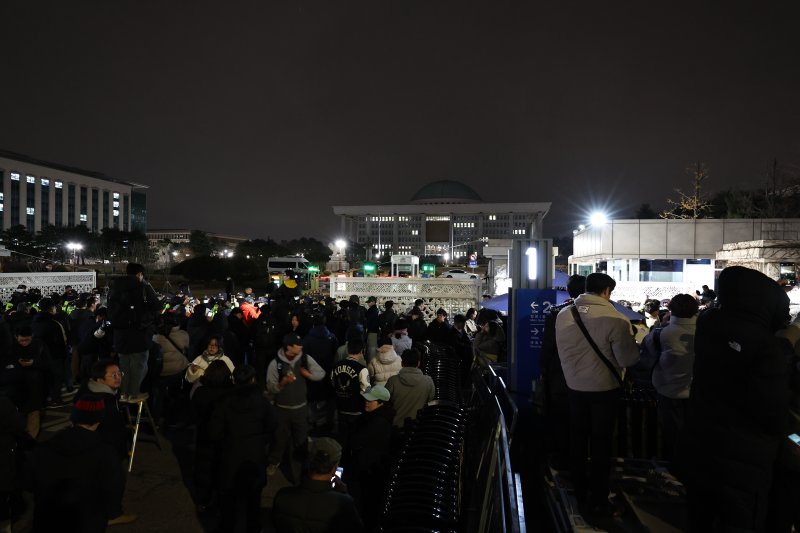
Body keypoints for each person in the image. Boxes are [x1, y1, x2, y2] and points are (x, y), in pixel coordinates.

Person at [681, 267, 795, 531]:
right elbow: (772, 415)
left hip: (699, 447)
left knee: (699, 517)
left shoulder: (709, 324)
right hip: (744, 463)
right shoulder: (769, 350)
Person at [554, 272, 640, 521]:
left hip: (574, 387)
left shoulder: (563, 314)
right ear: (606, 292)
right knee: (601, 445)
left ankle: (579, 492)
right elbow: (628, 359)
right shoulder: (616, 319)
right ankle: (599, 499)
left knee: (578, 440)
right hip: (604, 390)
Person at [32, 394, 123, 533]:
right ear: (99, 420)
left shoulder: (46, 447)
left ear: (73, 418)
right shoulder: (105, 452)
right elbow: (112, 488)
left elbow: (30, 480)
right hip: (87, 521)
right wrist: (112, 512)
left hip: (48, 518)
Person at [208, 365, 276, 533]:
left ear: (234, 380)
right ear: (253, 380)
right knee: (253, 498)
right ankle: (253, 527)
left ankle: (227, 526)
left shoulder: (224, 402)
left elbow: (214, 432)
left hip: (230, 455)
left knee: (228, 498)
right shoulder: (262, 402)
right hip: (254, 455)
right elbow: (273, 425)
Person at [538, 274, 585, 469]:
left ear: (568, 291)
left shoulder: (557, 313)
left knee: (561, 420)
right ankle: (582, 461)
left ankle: (562, 460)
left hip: (561, 375)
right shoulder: (606, 314)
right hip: (594, 379)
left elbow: (548, 347)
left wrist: (543, 370)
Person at [645, 293, 698, 462]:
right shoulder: (705, 332)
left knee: (671, 433)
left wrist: (661, 325)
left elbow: (648, 353)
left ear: (670, 310)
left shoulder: (661, 333)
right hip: (696, 392)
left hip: (667, 390)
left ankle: (672, 467)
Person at [272, 437, 365, 533]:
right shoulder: (343, 504)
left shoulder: (282, 496)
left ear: (308, 463)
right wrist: (344, 494)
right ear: (334, 468)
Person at [266, 333, 325, 479]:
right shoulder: (275, 364)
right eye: (298, 344)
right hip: (282, 409)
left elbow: (321, 373)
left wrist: (308, 374)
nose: (301, 346)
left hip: (301, 408)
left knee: (301, 439)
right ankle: (274, 461)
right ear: (289, 347)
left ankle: (302, 469)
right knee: (279, 438)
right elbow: (271, 387)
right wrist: (282, 383)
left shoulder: (305, 359)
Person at [107, 263, 161, 402]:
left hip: (120, 334)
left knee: (124, 365)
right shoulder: (144, 287)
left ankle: (123, 393)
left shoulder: (114, 287)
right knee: (139, 364)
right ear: (139, 274)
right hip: (139, 334)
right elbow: (156, 306)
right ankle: (134, 393)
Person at [347, 385, 396, 529]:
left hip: (367, 471)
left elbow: (356, 442)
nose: (366, 402)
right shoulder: (380, 417)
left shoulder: (376, 423)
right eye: (366, 400)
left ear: (381, 403)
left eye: (371, 401)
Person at [190, 359, 234, 512]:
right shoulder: (229, 394)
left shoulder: (201, 391)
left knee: (203, 469)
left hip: (204, 436)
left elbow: (193, 411)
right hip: (224, 438)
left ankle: (203, 500)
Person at [3, 326, 49, 438]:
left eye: (27, 340)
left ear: (32, 337)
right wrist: (17, 364)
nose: (24, 343)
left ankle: (31, 441)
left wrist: (33, 363)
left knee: (33, 414)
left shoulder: (39, 345)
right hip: (16, 390)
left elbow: (47, 364)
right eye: (21, 340)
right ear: (16, 338)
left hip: (35, 388)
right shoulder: (10, 348)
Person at [330, 339, 370, 460]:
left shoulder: (336, 366)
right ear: (362, 351)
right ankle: (350, 462)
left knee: (342, 437)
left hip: (341, 407)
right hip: (356, 409)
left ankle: (340, 460)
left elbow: (333, 383)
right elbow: (366, 391)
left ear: (348, 350)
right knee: (354, 437)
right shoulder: (362, 369)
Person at [31, 298, 69, 406]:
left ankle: (44, 400)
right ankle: (56, 399)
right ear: (51, 308)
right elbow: (62, 341)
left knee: (45, 378)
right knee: (56, 378)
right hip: (55, 355)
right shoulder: (55, 323)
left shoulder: (34, 321)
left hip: (40, 356)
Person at [385, 348, 435, 429]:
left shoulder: (392, 381)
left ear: (402, 363)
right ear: (418, 363)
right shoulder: (428, 381)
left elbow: (385, 402)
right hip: (418, 428)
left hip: (396, 426)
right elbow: (430, 400)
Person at [364, 296, 380, 362]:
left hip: (372, 331)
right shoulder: (375, 309)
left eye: (369, 302)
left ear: (373, 302)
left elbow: (367, 320)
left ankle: (371, 363)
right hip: (374, 331)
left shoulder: (372, 310)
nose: (368, 304)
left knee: (371, 349)